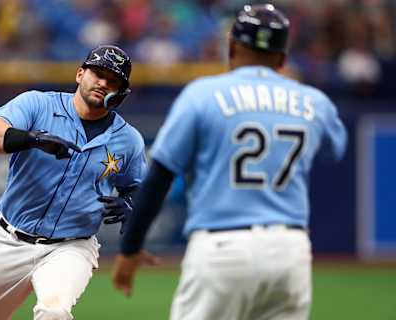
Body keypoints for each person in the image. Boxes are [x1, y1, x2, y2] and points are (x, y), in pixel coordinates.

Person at [112, 4, 347, 320]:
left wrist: (130, 248)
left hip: (223, 247)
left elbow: (159, 177)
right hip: (290, 250)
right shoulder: (312, 101)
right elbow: (336, 148)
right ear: (282, 57)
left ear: (233, 46)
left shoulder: (203, 94)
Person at [0, 44, 147, 320]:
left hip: (71, 246)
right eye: (97, 73)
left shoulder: (128, 139)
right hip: (10, 240)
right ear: (79, 74)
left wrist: (132, 204)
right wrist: (33, 139)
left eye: (113, 81)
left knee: (54, 312)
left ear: (121, 93)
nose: (102, 83)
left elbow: (136, 186)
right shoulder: (38, 104)